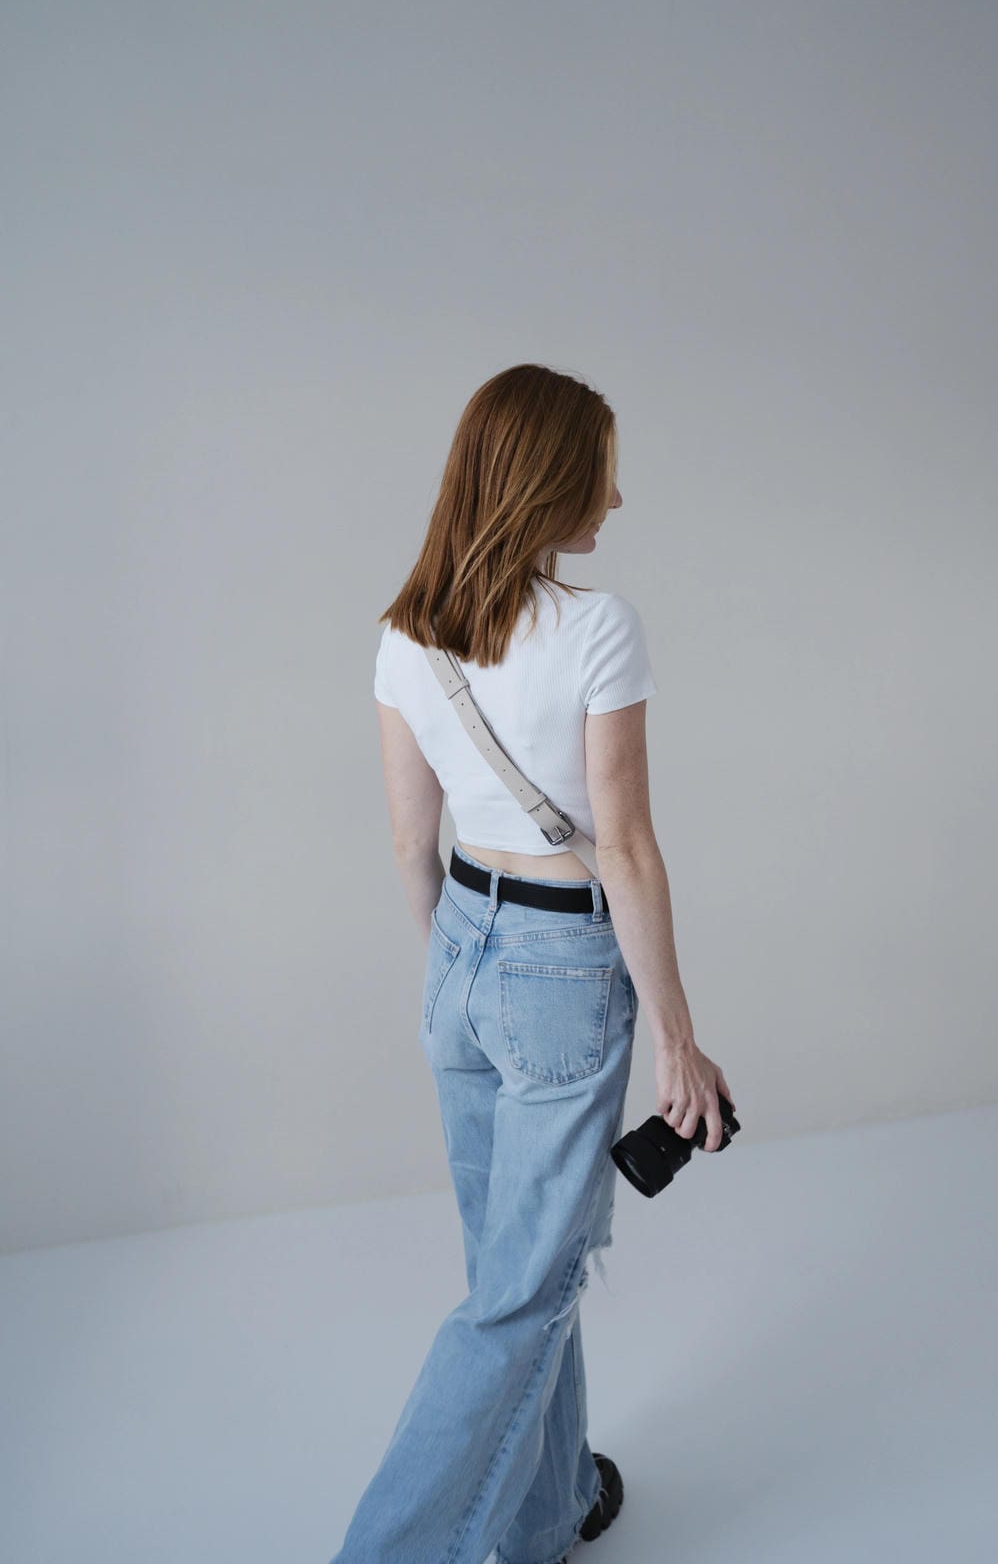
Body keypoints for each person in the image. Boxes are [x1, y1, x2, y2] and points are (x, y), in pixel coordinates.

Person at [329, 363, 733, 1564]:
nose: (615, 498)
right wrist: (677, 1039)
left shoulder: (406, 631)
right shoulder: (598, 628)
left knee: (512, 1268)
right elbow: (627, 847)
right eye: (600, 473)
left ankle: (550, 1508)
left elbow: (409, 845)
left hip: (456, 950)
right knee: (519, 1295)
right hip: (561, 965)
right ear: (547, 480)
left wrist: (457, 977)